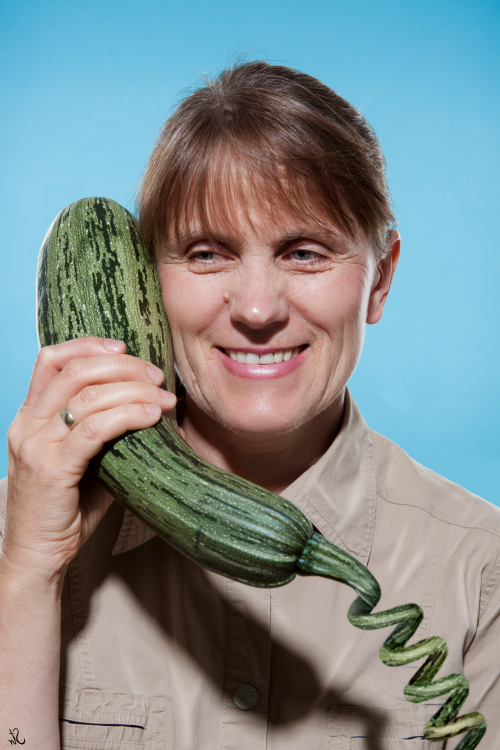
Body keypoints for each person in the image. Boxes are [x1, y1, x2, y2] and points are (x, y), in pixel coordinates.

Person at [0, 62, 499, 750]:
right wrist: (27, 575)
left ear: (380, 280)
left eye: (304, 252)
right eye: (207, 254)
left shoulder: (483, 569)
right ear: (148, 283)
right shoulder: (14, 539)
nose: (258, 309)